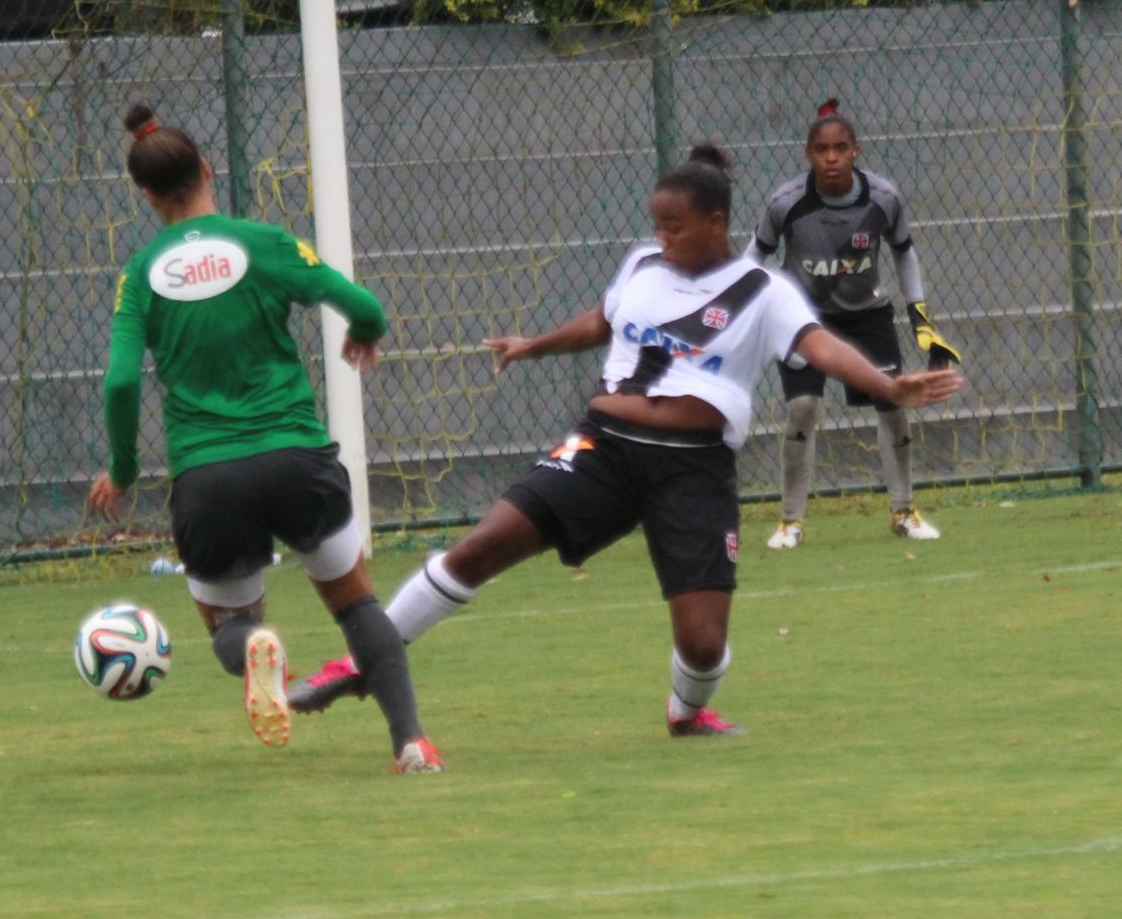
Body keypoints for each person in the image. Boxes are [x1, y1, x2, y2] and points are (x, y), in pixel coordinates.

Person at [286, 145, 963, 732]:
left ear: (716, 223)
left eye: (675, 227)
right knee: (482, 544)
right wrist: (532, 345)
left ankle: (686, 711)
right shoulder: (642, 264)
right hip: (602, 449)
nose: (661, 238)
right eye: (657, 226)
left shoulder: (763, 289)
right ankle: (362, 660)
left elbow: (819, 345)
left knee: (703, 647)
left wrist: (887, 385)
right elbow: (601, 321)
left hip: (694, 469)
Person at [86, 103, 440, 773]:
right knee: (357, 604)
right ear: (207, 169)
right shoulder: (265, 243)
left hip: (209, 475)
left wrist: (123, 468)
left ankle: (253, 646)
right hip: (295, 457)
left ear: (147, 196)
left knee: (230, 624)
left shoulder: (139, 274)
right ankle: (412, 742)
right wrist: (364, 332)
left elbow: (121, 382)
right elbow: (365, 307)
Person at [751, 99, 962, 550]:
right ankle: (790, 522)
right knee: (802, 407)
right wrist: (754, 309)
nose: (832, 157)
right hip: (804, 320)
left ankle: (903, 511)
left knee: (894, 402)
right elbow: (755, 257)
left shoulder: (883, 197)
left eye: (841, 148)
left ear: (856, 151)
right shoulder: (786, 202)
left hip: (868, 315)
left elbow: (904, 253)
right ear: (808, 154)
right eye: (822, 149)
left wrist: (920, 315)